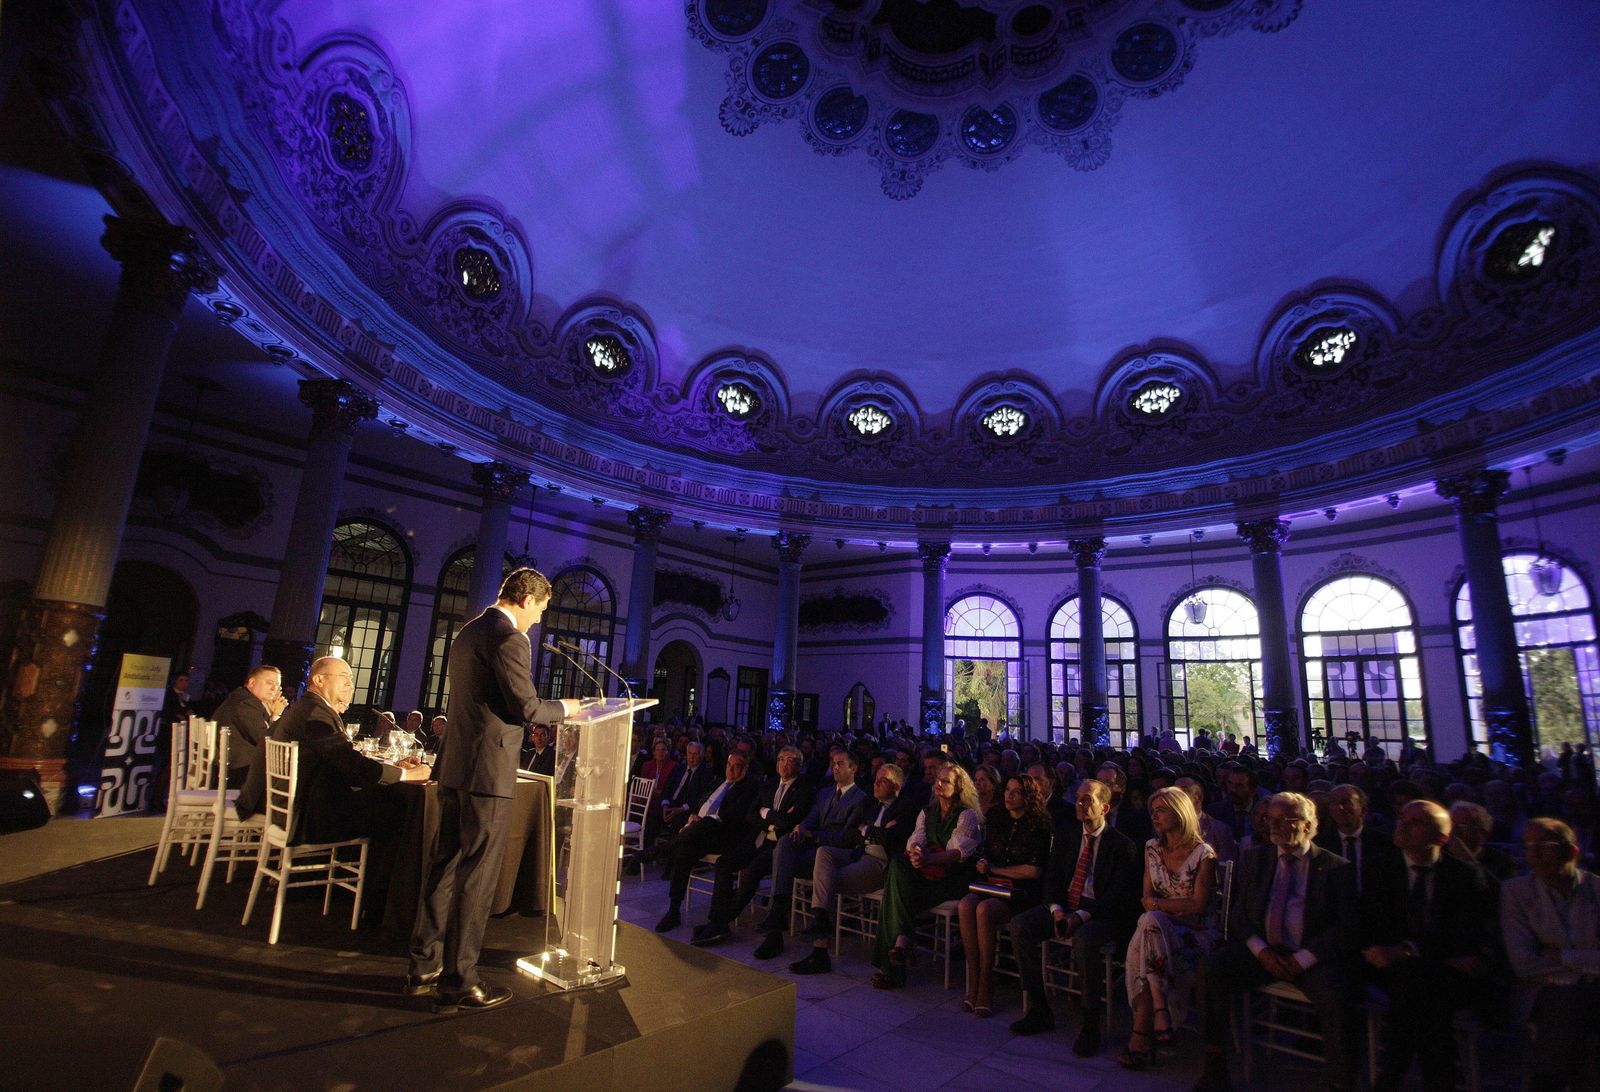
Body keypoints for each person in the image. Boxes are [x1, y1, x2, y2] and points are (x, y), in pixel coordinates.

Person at [406, 569, 580, 1013]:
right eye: (541, 608)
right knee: (477, 877)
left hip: (454, 767)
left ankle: (422, 967)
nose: (539, 619)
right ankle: (459, 982)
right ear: (525, 599)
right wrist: (571, 707)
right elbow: (527, 707)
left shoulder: (468, 632)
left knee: (443, 866)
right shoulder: (509, 638)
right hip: (487, 774)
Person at [1193, 792, 1360, 1092]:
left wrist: (1305, 958)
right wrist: (1261, 950)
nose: (1276, 827)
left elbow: (1345, 927)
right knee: (1212, 968)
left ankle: (1340, 1080)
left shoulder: (1335, 868)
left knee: (1339, 994)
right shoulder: (1257, 859)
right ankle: (1215, 1064)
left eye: (1286, 821)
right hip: (1263, 951)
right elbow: (1240, 915)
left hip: (1308, 956)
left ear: (1308, 826)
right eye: (1272, 820)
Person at [1362, 800, 1498, 1092]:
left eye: (1416, 823)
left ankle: (1391, 1075)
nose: (1403, 826)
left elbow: (1461, 934)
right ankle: (1438, 1079)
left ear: (1442, 838)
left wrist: (1407, 950)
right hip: (1403, 967)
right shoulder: (1382, 868)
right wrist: (1407, 951)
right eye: (1402, 818)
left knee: (1419, 985)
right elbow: (1377, 924)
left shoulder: (1463, 876)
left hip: (1432, 975)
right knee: (1424, 991)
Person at [1009, 778, 1142, 1052]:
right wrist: (1057, 911)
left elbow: (1116, 896)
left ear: (1104, 808)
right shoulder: (1068, 833)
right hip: (1066, 904)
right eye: (1078, 798)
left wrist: (1079, 916)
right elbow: (1053, 877)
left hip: (1100, 912)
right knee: (1021, 925)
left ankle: (1090, 1023)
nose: (1080, 804)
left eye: (1088, 799)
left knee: (1084, 940)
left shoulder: (1122, 846)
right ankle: (1039, 1007)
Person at [1120, 785, 1220, 1070]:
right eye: (1153, 811)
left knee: (1150, 925)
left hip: (1196, 933)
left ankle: (1140, 1034)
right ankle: (1160, 1012)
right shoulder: (1152, 848)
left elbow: (1199, 906)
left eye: (1161, 810)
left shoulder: (1203, 853)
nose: (1155, 816)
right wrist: (1165, 910)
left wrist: (1161, 908)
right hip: (1163, 930)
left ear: (1180, 812)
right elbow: (1145, 898)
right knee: (1151, 924)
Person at [789, 761, 920, 974]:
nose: (876, 785)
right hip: (858, 853)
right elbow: (849, 832)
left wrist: (866, 829)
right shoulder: (870, 803)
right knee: (824, 852)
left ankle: (820, 949)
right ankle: (821, 918)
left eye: (883, 781)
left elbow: (891, 838)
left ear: (896, 787)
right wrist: (872, 832)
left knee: (825, 882)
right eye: (876, 779)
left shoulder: (905, 807)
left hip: (880, 863)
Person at [1502, 818, 1600, 1090]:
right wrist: (1586, 961)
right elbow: (1524, 962)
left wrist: (1564, 957)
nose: (1532, 855)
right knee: (1574, 1010)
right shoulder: (1517, 893)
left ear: (1571, 852)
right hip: (1541, 995)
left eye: (1542, 847)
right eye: (1528, 847)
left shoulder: (1596, 891)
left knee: (1577, 1017)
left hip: (1588, 995)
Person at [871, 762, 981, 989]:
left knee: (895, 897)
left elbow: (957, 852)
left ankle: (896, 960)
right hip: (925, 871)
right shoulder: (927, 811)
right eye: (938, 780)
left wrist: (927, 858)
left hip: (952, 877)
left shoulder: (967, 815)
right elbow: (916, 838)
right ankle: (901, 943)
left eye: (946, 781)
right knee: (899, 865)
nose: (939, 784)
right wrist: (917, 853)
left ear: (959, 787)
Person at [752, 748, 869, 960]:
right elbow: (811, 818)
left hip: (836, 854)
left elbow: (846, 837)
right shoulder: (825, 793)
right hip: (812, 850)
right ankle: (777, 918)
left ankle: (780, 921)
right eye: (833, 763)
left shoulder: (860, 799)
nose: (834, 767)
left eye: (840, 764)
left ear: (854, 768)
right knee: (785, 843)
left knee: (790, 856)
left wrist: (811, 835)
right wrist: (800, 828)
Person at [692, 746, 813, 946]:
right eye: (782, 759)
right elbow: (751, 814)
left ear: (799, 766)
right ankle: (717, 920)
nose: (785, 764)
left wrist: (765, 812)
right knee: (724, 863)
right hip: (759, 840)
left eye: (791, 760)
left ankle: (720, 922)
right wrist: (771, 819)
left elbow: (789, 822)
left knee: (752, 871)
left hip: (782, 848)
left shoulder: (805, 789)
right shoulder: (770, 785)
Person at [958, 775, 1052, 1017]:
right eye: (1008, 790)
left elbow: (1033, 870)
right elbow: (987, 853)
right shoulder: (998, 818)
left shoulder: (1039, 827)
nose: (1009, 796)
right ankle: (973, 978)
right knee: (967, 904)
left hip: (1022, 892)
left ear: (1027, 797)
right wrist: (983, 863)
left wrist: (997, 869)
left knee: (984, 909)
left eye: (1016, 792)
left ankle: (986, 983)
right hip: (993, 884)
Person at [654, 750, 761, 933]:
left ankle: (661, 849)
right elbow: (700, 803)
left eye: (737, 766)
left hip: (725, 835)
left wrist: (704, 820)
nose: (732, 770)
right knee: (683, 852)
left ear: (745, 769)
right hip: (700, 833)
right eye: (729, 765)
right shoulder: (718, 781)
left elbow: (734, 817)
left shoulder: (750, 786)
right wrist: (693, 816)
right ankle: (673, 910)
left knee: (709, 822)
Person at [212, 664, 286, 789]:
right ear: (252, 682)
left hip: (232, 764)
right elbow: (265, 740)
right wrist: (276, 715)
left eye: (278, 685)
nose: (274, 688)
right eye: (269, 683)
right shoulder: (247, 703)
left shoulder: (242, 697)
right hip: (238, 770)